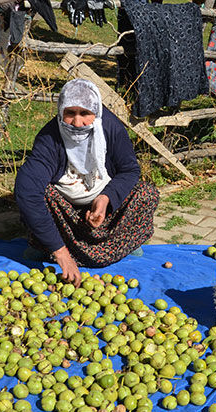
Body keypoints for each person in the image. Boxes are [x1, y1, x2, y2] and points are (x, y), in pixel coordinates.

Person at [15, 78, 159, 287]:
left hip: (102, 205)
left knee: (146, 193)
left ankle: (127, 240)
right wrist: (61, 252)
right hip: (65, 210)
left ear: (97, 112)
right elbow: (26, 189)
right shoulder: (50, 138)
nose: (77, 122)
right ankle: (46, 245)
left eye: (85, 113)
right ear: (60, 112)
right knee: (41, 194)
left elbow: (129, 170)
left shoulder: (111, 129)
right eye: (70, 113)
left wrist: (105, 199)